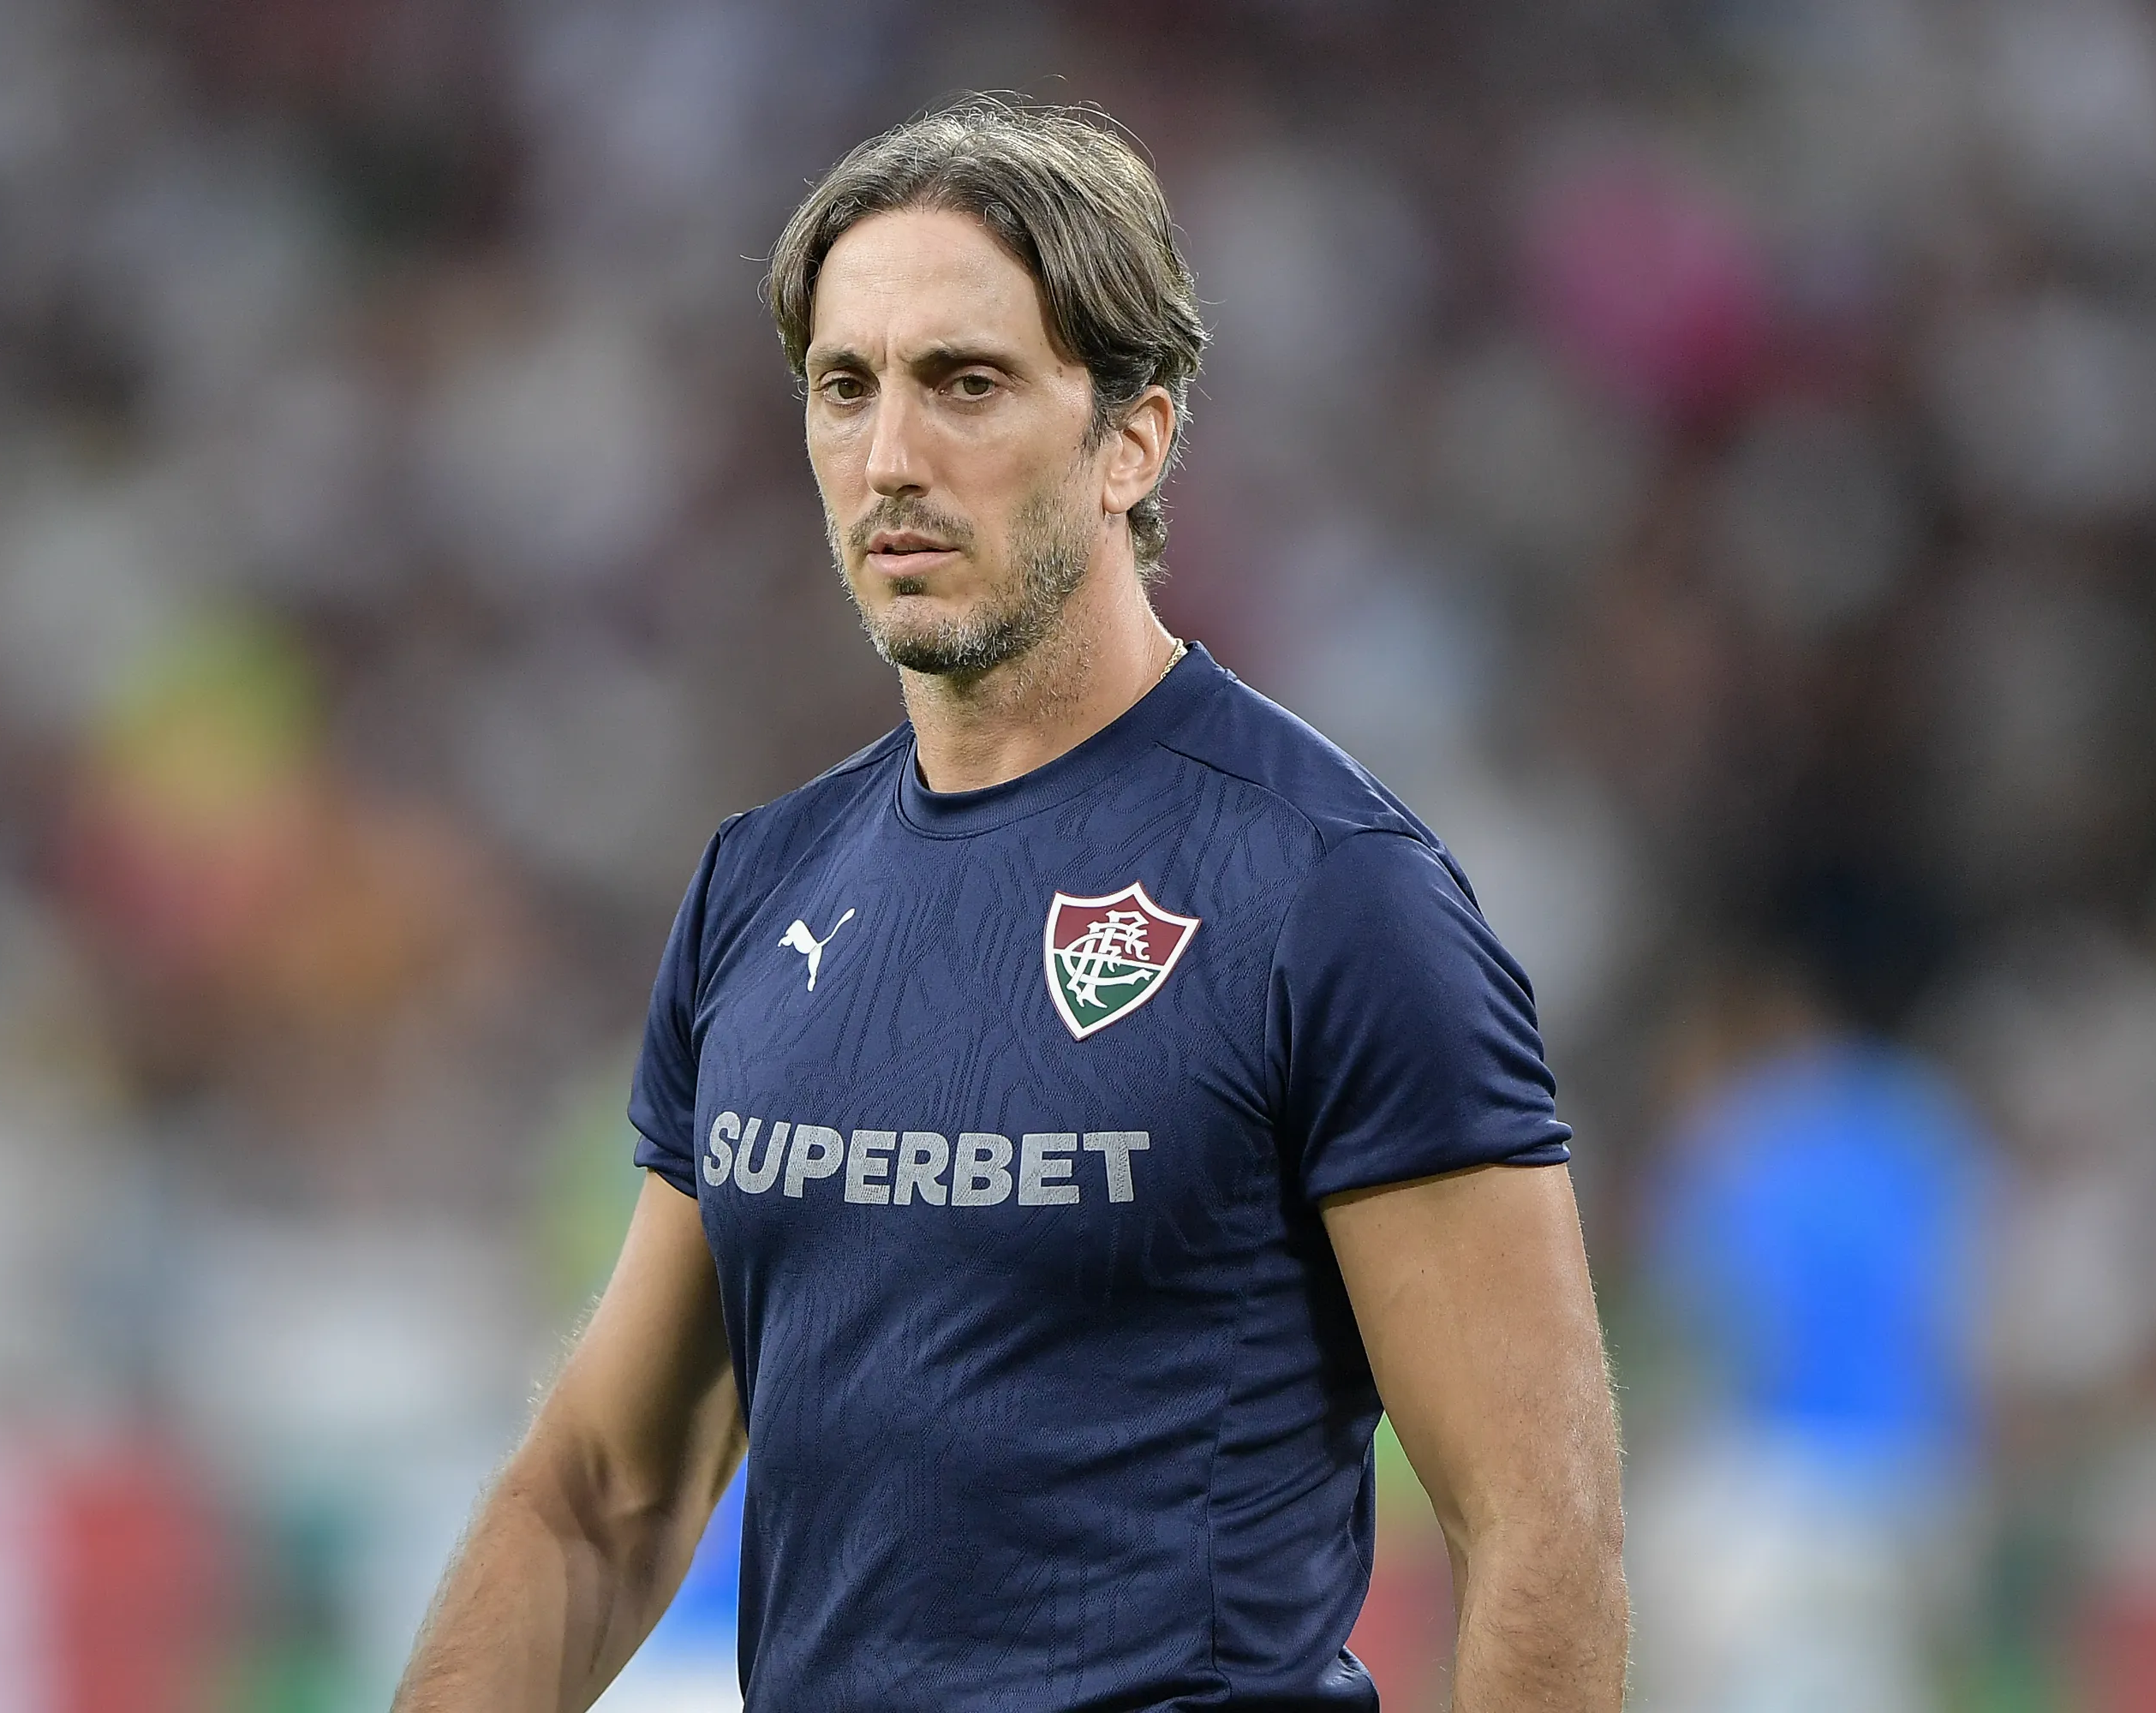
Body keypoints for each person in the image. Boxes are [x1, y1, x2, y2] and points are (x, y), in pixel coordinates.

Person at [392, 97, 1626, 1713]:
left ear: (1134, 439)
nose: (891, 458)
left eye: (965, 383)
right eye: (846, 387)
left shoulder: (1335, 896)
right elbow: (605, 1496)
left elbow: (1541, 1528)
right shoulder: (760, 886)